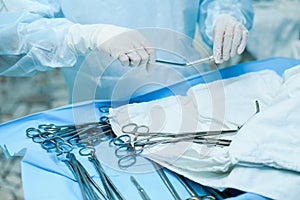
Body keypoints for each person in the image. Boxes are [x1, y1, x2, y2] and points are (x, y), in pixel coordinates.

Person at [0, 0, 253, 101]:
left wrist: (226, 16)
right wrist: (86, 36)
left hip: (184, 86)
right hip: (100, 97)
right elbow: (13, 34)